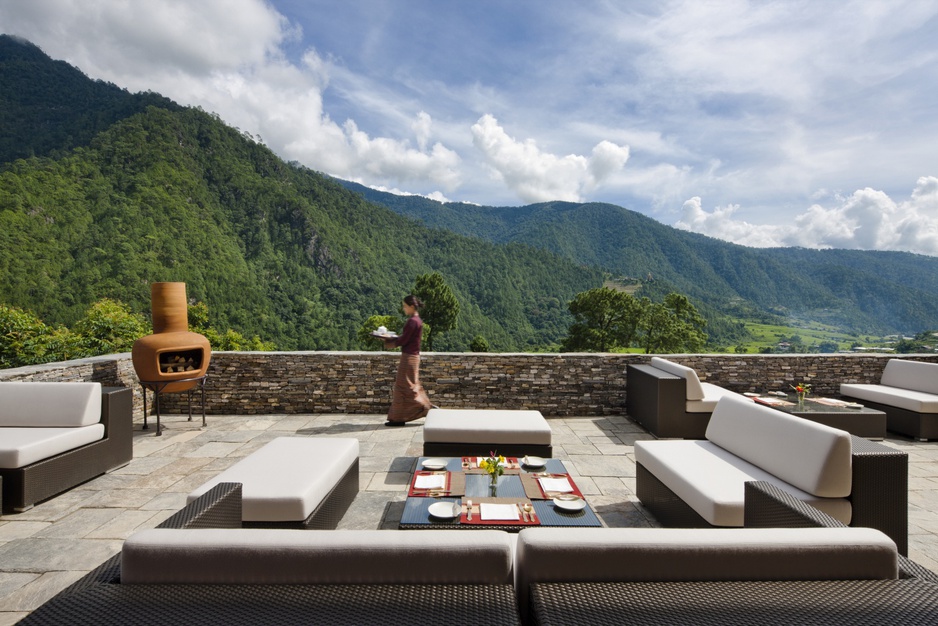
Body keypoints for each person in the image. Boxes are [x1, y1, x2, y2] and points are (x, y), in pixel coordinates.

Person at [383, 295, 432, 426]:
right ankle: (399, 417)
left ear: (411, 306)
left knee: (403, 387)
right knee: (408, 386)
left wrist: (389, 341)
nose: (403, 309)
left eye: (405, 306)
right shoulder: (417, 321)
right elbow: (407, 338)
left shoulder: (412, 322)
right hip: (413, 357)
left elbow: (404, 340)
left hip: (409, 357)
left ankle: (426, 408)